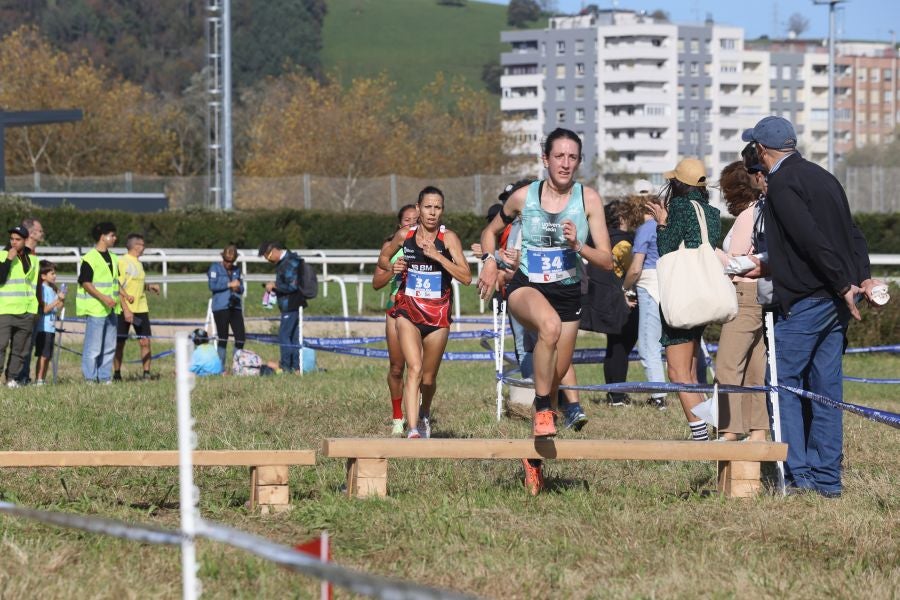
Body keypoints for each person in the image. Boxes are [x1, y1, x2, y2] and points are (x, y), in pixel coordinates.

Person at [742, 116, 882, 497]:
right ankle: (828, 482)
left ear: (761, 150)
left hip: (807, 301)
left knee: (782, 387)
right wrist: (859, 280)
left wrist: (841, 283)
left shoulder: (783, 184)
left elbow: (811, 241)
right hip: (833, 302)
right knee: (825, 393)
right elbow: (854, 235)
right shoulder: (825, 177)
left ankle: (797, 478)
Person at [479, 128, 614, 494]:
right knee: (548, 328)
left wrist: (578, 245)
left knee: (553, 381)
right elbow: (490, 232)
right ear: (546, 159)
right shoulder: (525, 197)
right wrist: (492, 261)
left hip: (568, 294)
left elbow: (607, 261)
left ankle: (533, 458)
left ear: (579, 162)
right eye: (559, 156)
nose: (566, 163)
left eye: (573, 157)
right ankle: (541, 408)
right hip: (527, 287)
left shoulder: (589, 200)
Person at [377, 186, 472, 439]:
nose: (432, 212)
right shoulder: (404, 235)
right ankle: (413, 428)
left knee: (428, 379)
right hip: (408, 311)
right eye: (427, 207)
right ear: (418, 209)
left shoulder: (448, 238)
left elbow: (466, 277)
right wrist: (392, 266)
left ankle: (425, 412)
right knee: (414, 368)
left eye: (437, 207)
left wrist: (438, 258)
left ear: (442, 210)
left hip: (438, 315)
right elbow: (382, 259)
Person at [646, 158, 720, 441]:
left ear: (677, 183)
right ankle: (712, 427)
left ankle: (700, 435)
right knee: (691, 371)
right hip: (702, 295)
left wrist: (662, 223)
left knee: (677, 372)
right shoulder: (711, 212)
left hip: (681, 297)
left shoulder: (677, 208)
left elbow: (666, 250)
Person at [714, 161, 768, 442]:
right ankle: (758, 430)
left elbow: (736, 262)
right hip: (756, 296)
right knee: (753, 368)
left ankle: (730, 429)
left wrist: (710, 251)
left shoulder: (748, 215)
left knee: (727, 365)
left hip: (744, 295)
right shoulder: (760, 212)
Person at [581, 200, 641, 407]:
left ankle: (613, 393)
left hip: (605, 299)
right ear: (623, 218)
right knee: (621, 349)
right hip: (624, 300)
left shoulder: (600, 241)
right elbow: (633, 269)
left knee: (613, 347)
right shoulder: (624, 243)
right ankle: (617, 395)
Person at [372, 204, 418, 436]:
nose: (412, 223)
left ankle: (418, 416)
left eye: (415, 219)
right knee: (397, 367)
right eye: (407, 220)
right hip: (396, 307)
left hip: (423, 308)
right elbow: (376, 283)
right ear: (400, 226)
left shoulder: (431, 244)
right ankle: (398, 416)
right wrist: (394, 270)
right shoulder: (391, 248)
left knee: (419, 368)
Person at [622, 185, 668, 410]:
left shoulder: (644, 229)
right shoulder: (664, 227)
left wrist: (624, 287)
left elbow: (635, 268)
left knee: (649, 346)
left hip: (649, 287)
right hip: (667, 285)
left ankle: (659, 396)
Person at [77, 222, 123, 384]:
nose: (115, 238)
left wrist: (124, 295)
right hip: (96, 309)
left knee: (110, 346)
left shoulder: (114, 258)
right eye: (112, 235)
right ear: (103, 237)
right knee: (93, 347)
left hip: (112, 309)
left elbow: (115, 282)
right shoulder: (90, 258)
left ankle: (104, 377)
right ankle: (90, 378)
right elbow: (85, 283)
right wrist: (104, 298)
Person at [113, 233, 160, 381]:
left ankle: (146, 373)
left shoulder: (139, 263)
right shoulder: (123, 262)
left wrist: (149, 286)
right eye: (142, 245)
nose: (144, 247)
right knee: (119, 343)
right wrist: (126, 308)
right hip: (124, 309)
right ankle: (117, 373)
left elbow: (134, 283)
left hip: (141, 308)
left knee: (145, 341)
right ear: (135, 246)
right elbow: (118, 286)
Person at [0, 225, 38, 388]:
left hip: (26, 311)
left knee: (20, 349)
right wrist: (8, 259)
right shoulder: (2, 255)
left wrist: (34, 310)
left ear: (25, 240)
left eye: (18, 239)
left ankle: (11, 378)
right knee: (0, 345)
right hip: (5, 309)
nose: (14, 242)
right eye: (12, 239)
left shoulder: (33, 259)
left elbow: (33, 285)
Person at [258, 241, 305, 373]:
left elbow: (292, 286)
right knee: (294, 336)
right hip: (293, 303)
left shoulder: (289, 262)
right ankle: (296, 366)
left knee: (284, 335)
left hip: (290, 304)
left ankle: (286, 366)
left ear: (274, 251)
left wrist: (274, 286)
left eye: (267, 256)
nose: (267, 259)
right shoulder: (288, 260)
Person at [208, 244, 246, 370]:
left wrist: (238, 288)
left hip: (235, 307)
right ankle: (220, 368)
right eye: (227, 260)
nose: (229, 263)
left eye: (232, 261)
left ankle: (236, 366)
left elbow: (241, 288)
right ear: (223, 257)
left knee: (240, 337)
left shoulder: (237, 270)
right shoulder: (214, 268)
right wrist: (229, 284)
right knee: (223, 338)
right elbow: (212, 286)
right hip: (221, 307)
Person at [17, 217, 44, 384]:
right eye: (40, 230)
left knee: (29, 344)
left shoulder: (34, 254)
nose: (42, 233)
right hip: (22, 307)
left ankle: (24, 376)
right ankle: (17, 376)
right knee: (21, 344)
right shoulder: (20, 254)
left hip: (34, 306)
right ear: (31, 233)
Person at [34, 260, 65, 385]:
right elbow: (45, 309)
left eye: (55, 273)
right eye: (52, 273)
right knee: (43, 355)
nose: (55, 276)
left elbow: (59, 308)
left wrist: (62, 298)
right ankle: (39, 379)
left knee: (48, 356)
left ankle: (43, 379)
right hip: (43, 328)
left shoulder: (52, 289)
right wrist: (57, 300)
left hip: (51, 328)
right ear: (43, 276)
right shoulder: (43, 289)